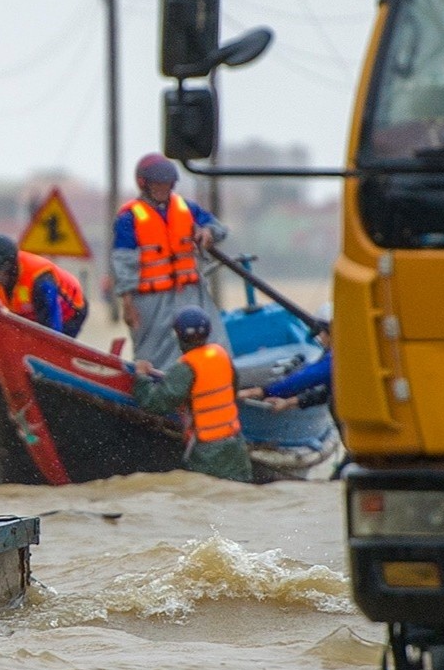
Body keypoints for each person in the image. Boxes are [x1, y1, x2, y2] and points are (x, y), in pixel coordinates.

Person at [112, 153, 232, 370]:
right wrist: (127, 302)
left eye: (167, 184)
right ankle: (156, 388)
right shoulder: (129, 218)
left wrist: (208, 232)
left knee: (212, 339)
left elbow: (219, 228)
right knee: (153, 349)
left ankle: (216, 378)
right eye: (158, 184)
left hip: (190, 292)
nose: (163, 189)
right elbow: (123, 262)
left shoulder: (186, 208)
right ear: (144, 184)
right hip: (149, 298)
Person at [132, 306, 253, 483]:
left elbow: (155, 403)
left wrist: (141, 377)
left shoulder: (185, 368)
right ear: (209, 332)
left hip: (207, 453)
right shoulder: (222, 356)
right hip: (235, 447)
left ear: (178, 336)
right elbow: (233, 390)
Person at [0, 233, 89, 377]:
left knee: (51, 356)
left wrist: (46, 358)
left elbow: (51, 327)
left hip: (69, 314)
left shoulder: (40, 279)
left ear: (8, 266)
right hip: (28, 315)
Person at [238, 318, 333, 414]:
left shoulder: (335, 360)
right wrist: (289, 402)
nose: (320, 337)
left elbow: (310, 376)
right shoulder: (338, 363)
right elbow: (328, 392)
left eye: (321, 332)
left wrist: (264, 391)